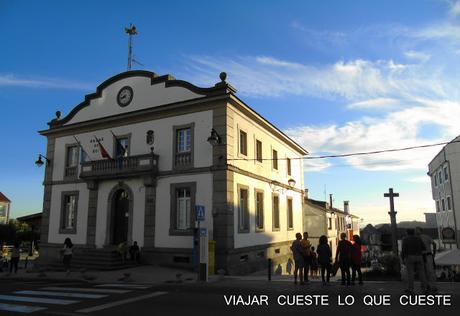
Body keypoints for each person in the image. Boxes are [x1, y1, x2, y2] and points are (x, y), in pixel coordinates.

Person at [401, 228, 428, 294]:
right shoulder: (418, 238)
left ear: (407, 233)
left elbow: (403, 250)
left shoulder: (405, 239)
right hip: (419, 256)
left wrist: (402, 258)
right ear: (413, 232)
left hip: (410, 256)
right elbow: (424, 248)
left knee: (410, 273)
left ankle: (411, 289)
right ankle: (424, 288)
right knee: (422, 273)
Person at [415, 227, 437, 292]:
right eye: (416, 230)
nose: (416, 232)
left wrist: (434, 253)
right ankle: (427, 285)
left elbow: (434, 243)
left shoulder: (425, 237)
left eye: (417, 230)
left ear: (420, 231)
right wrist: (434, 253)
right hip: (424, 256)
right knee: (425, 271)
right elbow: (434, 243)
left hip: (426, 255)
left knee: (428, 271)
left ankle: (431, 286)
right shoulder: (418, 238)